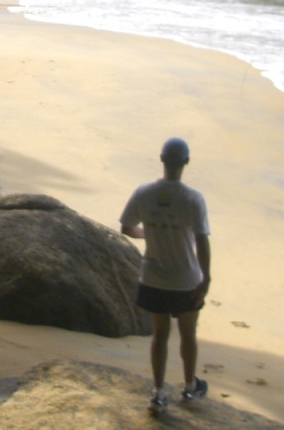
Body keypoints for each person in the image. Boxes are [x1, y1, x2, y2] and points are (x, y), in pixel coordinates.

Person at [120, 137, 211, 412]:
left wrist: (146, 233)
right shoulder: (193, 198)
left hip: (153, 279)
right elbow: (202, 241)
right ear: (186, 162)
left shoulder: (143, 192)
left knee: (159, 335)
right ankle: (189, 386)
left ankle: (158, 392)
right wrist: (206, 278)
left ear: (161, 159)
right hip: (185, 279)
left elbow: (126, 226)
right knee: (187, 333)